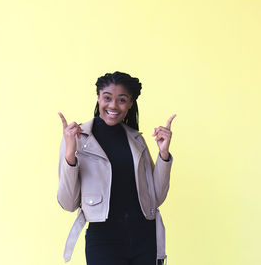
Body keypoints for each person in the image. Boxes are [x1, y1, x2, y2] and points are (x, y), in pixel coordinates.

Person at [57, 71, 175, 265]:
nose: (113, 105)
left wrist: (163, 155)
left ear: (130, 103)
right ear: (98, 98)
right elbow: (68, 203)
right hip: (104, 241)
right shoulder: (77, 138)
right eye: (107, 98)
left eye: (122, 100)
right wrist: (70, 154)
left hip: (145, 238)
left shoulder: (137, 140)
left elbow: (156, 199)